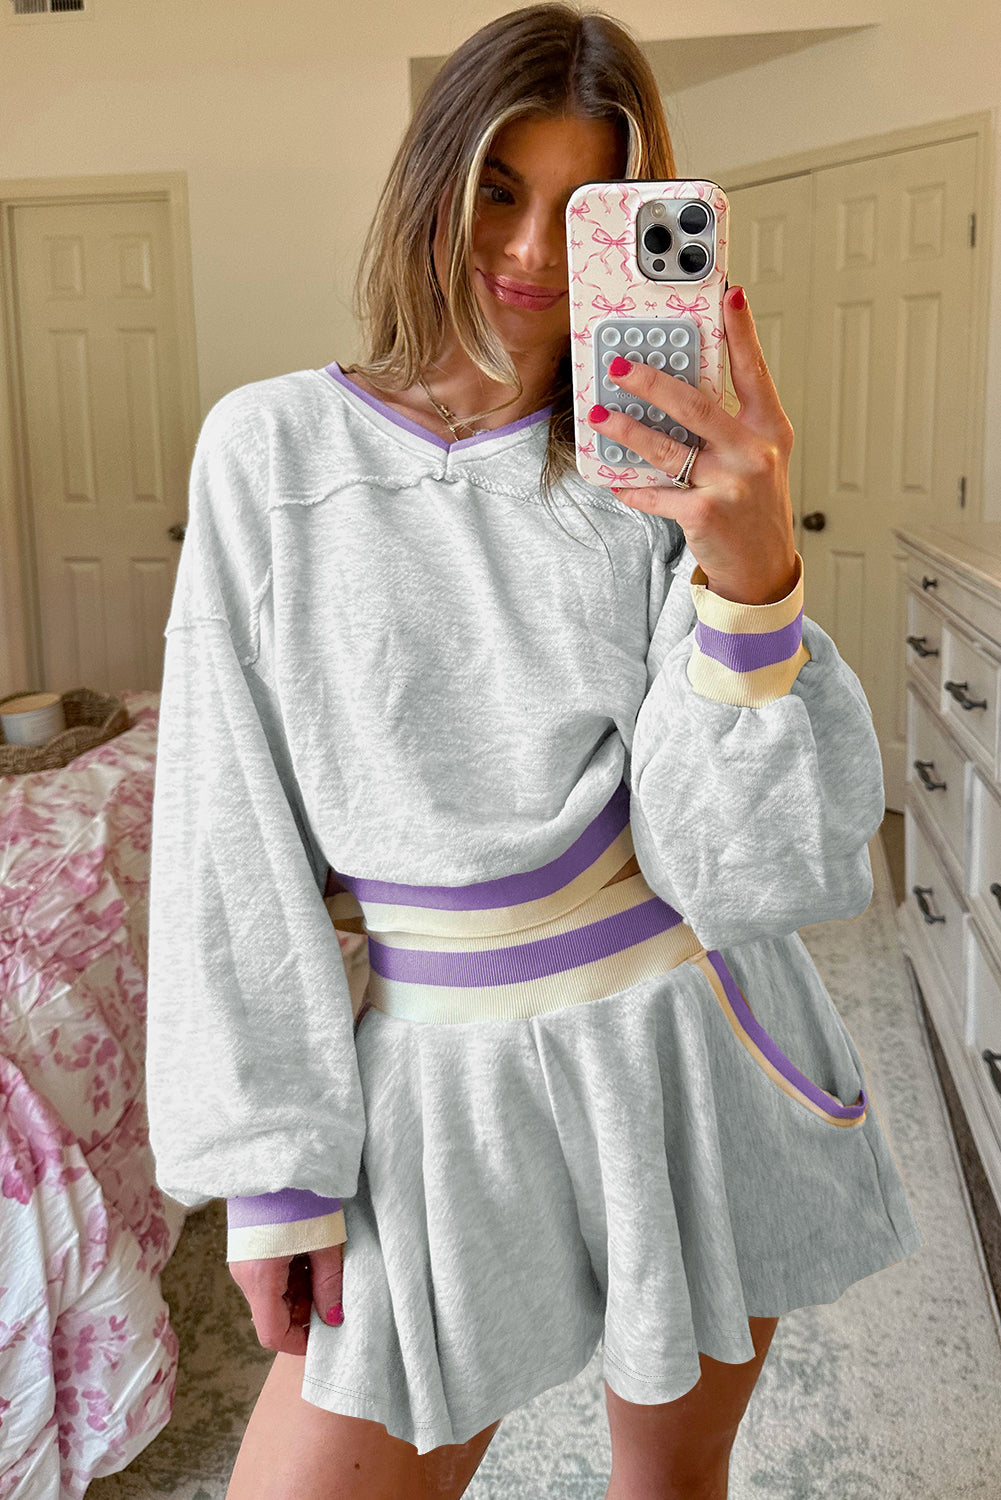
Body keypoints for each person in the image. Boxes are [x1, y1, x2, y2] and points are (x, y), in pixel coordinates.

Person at [144, 5, 924, 1498]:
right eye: (498, 188)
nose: (525, 251)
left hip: (687, 1039)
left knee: (667, 1486)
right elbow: (222, 836)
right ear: (428, 183)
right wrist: (273, 1169)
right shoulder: (271, 451)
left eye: (585, 211)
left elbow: (745, 871)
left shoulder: (655, 467)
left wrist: (752, 575)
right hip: (435, 1074)